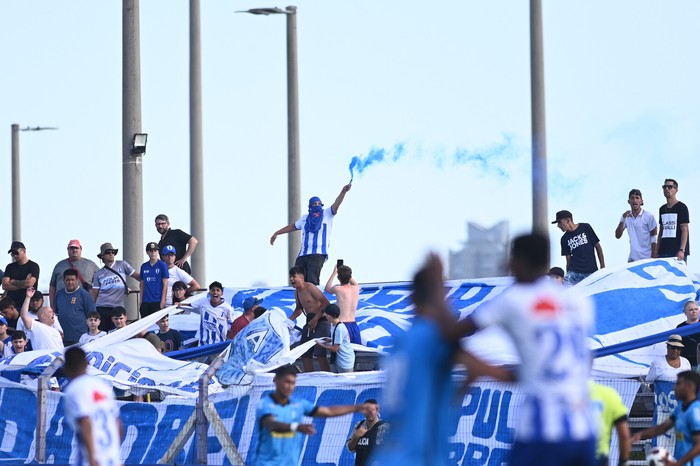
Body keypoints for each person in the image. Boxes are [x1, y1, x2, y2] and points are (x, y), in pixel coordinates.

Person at [450, 233, 597, 466]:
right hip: (584, 429)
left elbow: (451, 333)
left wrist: (472, 363)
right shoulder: (579, 301)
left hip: (542, 432)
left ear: (518, 261)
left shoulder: (514, 299)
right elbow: (584, 358)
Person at [253, 364, 367, 466]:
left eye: (293, 383)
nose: (290, 386)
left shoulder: (298, 404)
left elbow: (328, 412)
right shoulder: (265, 404)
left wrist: (357, 407)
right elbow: (271, 424)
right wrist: (296, 427)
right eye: (286, 382)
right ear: (276, 381)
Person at [270, 184, 352, 285]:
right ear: (310, 206)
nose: (317, 205)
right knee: (297, 279)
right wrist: (277, 233)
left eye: (319, 203)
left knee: (312, 281)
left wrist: (343, 192)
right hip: (303, 254)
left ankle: (313, 300)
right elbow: (292, 226)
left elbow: (337, 204)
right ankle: (299, 300)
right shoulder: (305, 218)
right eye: (314, 204)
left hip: (317, 254)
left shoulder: (327, 214)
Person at [63, 346, 124, 466]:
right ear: (87, 365)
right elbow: (119, 425)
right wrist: (115, 456)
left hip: (92, 460)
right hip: (112, 460)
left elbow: (85, 423)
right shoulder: (103, 387)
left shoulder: (74, 389)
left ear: (66, 368)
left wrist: (92, 460)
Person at [632, 371, 700, 466]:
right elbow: (662, 428)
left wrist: (678, 464)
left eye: (678, 384)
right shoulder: (680, 407)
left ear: (690, 387)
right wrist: (639, 435)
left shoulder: (695, 412)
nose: (674, 387)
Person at [647, 334, 692, 453]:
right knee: (661, 442)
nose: (675, 350)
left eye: (678, 348)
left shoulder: (686, 363)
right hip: (663, 411)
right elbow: (650, 382)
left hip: (681, 411)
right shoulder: (657, 363)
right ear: (667, 348)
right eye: (673, 347)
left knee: (681, 442)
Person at [288, 266, 331, 372]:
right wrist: (289, 320)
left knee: (320, 352)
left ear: (301, 277)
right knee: (304, 352)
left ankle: (328, 378)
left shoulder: (310, 287)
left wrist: (316, 318)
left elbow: (326, 303)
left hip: (321, 320)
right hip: (310, 322)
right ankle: (309, 377)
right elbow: (299, 309)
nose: (291, 280)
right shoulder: (296, 292)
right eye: (290, 277)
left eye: (294, 277)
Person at [91, 242, 139, 332]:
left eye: (113, 252)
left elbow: (138, 276)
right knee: (103, 334)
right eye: (108, 252)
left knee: (117, 333)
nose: (111, 254)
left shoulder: (122, 264)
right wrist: (92, 311)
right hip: (102, 307)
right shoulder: (98, 273)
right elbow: (94, 294)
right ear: (102, 256)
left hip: (117, 308)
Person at [552, 210, 605, 286]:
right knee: (565, 287)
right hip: (574, 272)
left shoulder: (585, 227)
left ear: (568, 220)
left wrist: (602, 266)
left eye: (559, 222)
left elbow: (597, 246)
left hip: (591, 272)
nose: (558, 226)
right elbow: (568, 259)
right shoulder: (564, 239)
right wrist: (568, 273)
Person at [48, 239, 99, 310]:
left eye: (76, 248)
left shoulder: (90, 265)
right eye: (72, 248)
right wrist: (52, 306)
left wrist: (94, 302)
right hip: (62, 303)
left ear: (81, 249)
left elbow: (100, 282)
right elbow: (52, 286)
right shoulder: (59, 265)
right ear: (67, 250)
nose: (74, 250)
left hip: (83, 304)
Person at [589, 381, 631, 466]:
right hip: (600, 457)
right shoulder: (608, 394)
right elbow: (624, 435)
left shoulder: (561, 396)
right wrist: (623, 462)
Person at [54, 269, 97, 346]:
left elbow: (92, 315)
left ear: (77, 280)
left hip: (80, 337)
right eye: (67, 280)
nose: (70, 282)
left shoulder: (84, 294)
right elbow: (56, 315)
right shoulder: (59, 294)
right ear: (64, 280)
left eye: (72, 280)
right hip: (62, 337)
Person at [614, 189, 658, 262]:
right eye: (632, 198)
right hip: (633, 259)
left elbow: (654, 237)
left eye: (637, 198)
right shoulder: (626, 217)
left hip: (647, 258)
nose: (635, 200)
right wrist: (622, 219)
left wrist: (654, 256)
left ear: (641, 201)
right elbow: (617, 236)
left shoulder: (649, 216)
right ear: (629, 201)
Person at [325, 263, 362, 344]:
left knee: (339, 352)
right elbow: (352, 280)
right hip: (354, 325)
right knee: (352, 354)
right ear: (350, 276)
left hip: (342, 325)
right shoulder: (356, 288)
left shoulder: (338, 289)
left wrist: (334, 273)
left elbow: (327, 289)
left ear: (338, 278)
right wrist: (346, 272)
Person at [347, 399, 389, 466]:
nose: (369, 413)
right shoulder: (359, 425)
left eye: (372, 410)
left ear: (377, 410)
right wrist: (355, 437)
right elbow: (350, 449)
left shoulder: (384, 427)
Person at [656, 178, 690, 262]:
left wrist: (682, 250)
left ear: (676, 190)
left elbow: (685, 230)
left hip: (677, 252)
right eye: (664, 187)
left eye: (670, 187)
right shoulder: (662, 209)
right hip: (663, 252)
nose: (666, 189)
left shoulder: (682, 207)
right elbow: (661, 231)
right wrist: (656, 250)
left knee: (678, 275)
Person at [315, 303, 355, 373]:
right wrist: (329, 340)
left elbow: (334, 349)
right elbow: (338, 339)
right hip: (339, 360)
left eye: (326, 314)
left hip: (345, 361)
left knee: (346, 382)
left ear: (329, 316)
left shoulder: (339, 328)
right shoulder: (334, 325)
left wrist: (322, 345)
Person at [194, 281, 233, 346]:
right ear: (209, 293)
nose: (215, 292)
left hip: (218, 345)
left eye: (218, 290)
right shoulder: (203, 302)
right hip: (203, 344)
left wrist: (228, 337)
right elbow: (189, 305)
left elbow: (234, 323)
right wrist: (178, 305)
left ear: (222, 293)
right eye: (213, 290)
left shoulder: (227, 308)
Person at [2, 241, 40, 308]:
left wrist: (13, 281)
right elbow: (5, 285)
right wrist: (24, 283)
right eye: (12, 254)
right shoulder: (10, 267)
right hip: (12, 306)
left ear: (24, 251)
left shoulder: (33, 266)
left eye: (16, 253)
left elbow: (29, 283)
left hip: (28, 305)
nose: (15, 256)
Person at [139, 242, 169, 318]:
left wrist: (162, 302)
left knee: (157, 325)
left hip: (157, 301)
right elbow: (142, 284)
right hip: (146, 301)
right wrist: (141, 301)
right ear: (147, 252)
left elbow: (165, 284)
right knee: (145, 326)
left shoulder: (162, 265)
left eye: (155, 251)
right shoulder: (144, 266)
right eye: (151, 251)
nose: (153, 253)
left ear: (158, 252)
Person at [677, 301, 700, 368]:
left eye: (696, 309)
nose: (694, 311)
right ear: (685, 312)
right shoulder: (680, 328)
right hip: (686, 362)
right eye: (691, 310)